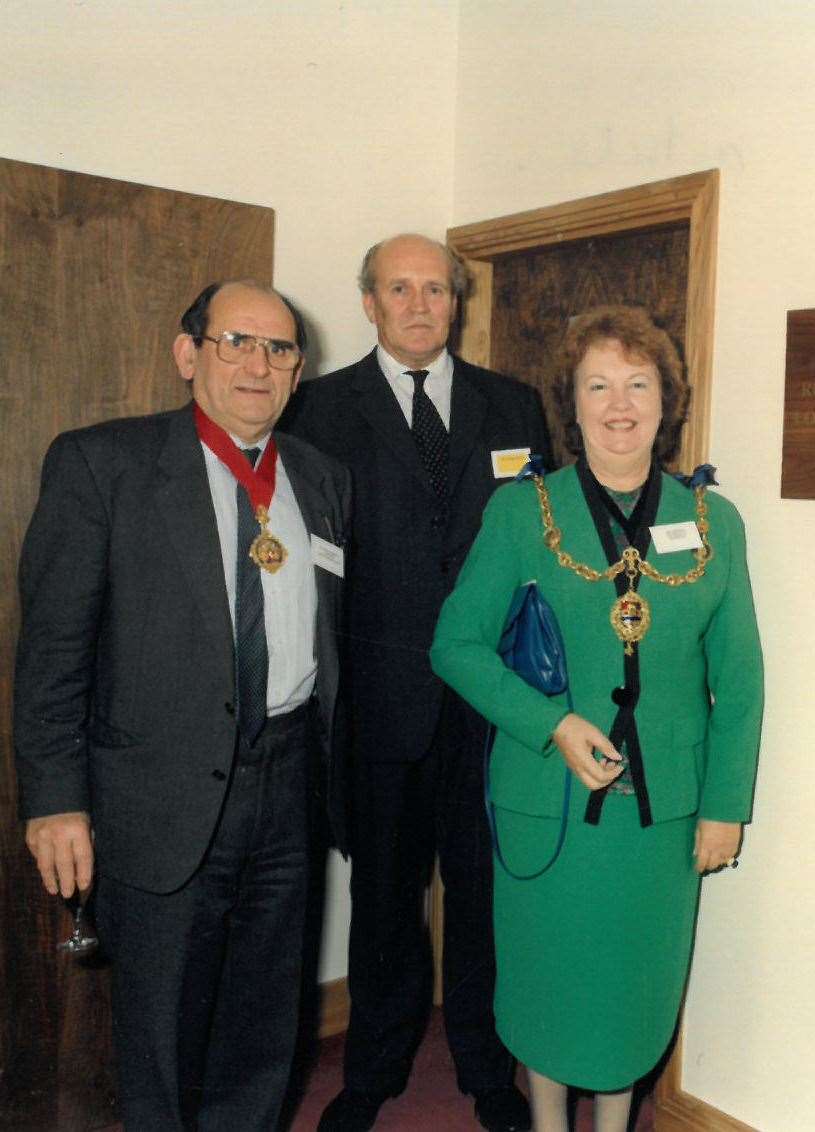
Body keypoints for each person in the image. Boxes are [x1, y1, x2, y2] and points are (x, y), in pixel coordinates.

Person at [14, 281, 350, 1131]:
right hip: (156, 797)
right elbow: (52, 652)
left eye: (279, 349)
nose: (257, 363)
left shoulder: (320, 478)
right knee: (159, 1037)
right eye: (237, 340)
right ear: (187, 353)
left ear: (297, 372)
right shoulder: (103, 465)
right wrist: (56, 799)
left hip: (287, 791)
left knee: (265, 1027)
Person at [431, 305, 764, 1132]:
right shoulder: (522, 511)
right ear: (571, 406)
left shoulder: (715, 522)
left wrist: (725, 805)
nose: (620, 404)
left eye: (639, 384)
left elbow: (742, 679)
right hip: (548, 803)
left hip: (661, 821)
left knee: (629, 990)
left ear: (666, 401)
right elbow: (456, 644)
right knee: (552, 983)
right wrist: (550, 722)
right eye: (599, 385)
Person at [282, 234, 551, 1132]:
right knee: (385, 904)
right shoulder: (316, 411)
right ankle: (373, 1073)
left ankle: (486, 1073)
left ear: (457, 302)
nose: (420, 304)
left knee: (483, 899)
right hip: (378, 711)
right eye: (400, 288)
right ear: (369, 302)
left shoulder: (512, 408)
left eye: (436, 288)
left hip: (489, 712)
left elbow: (539, 554)